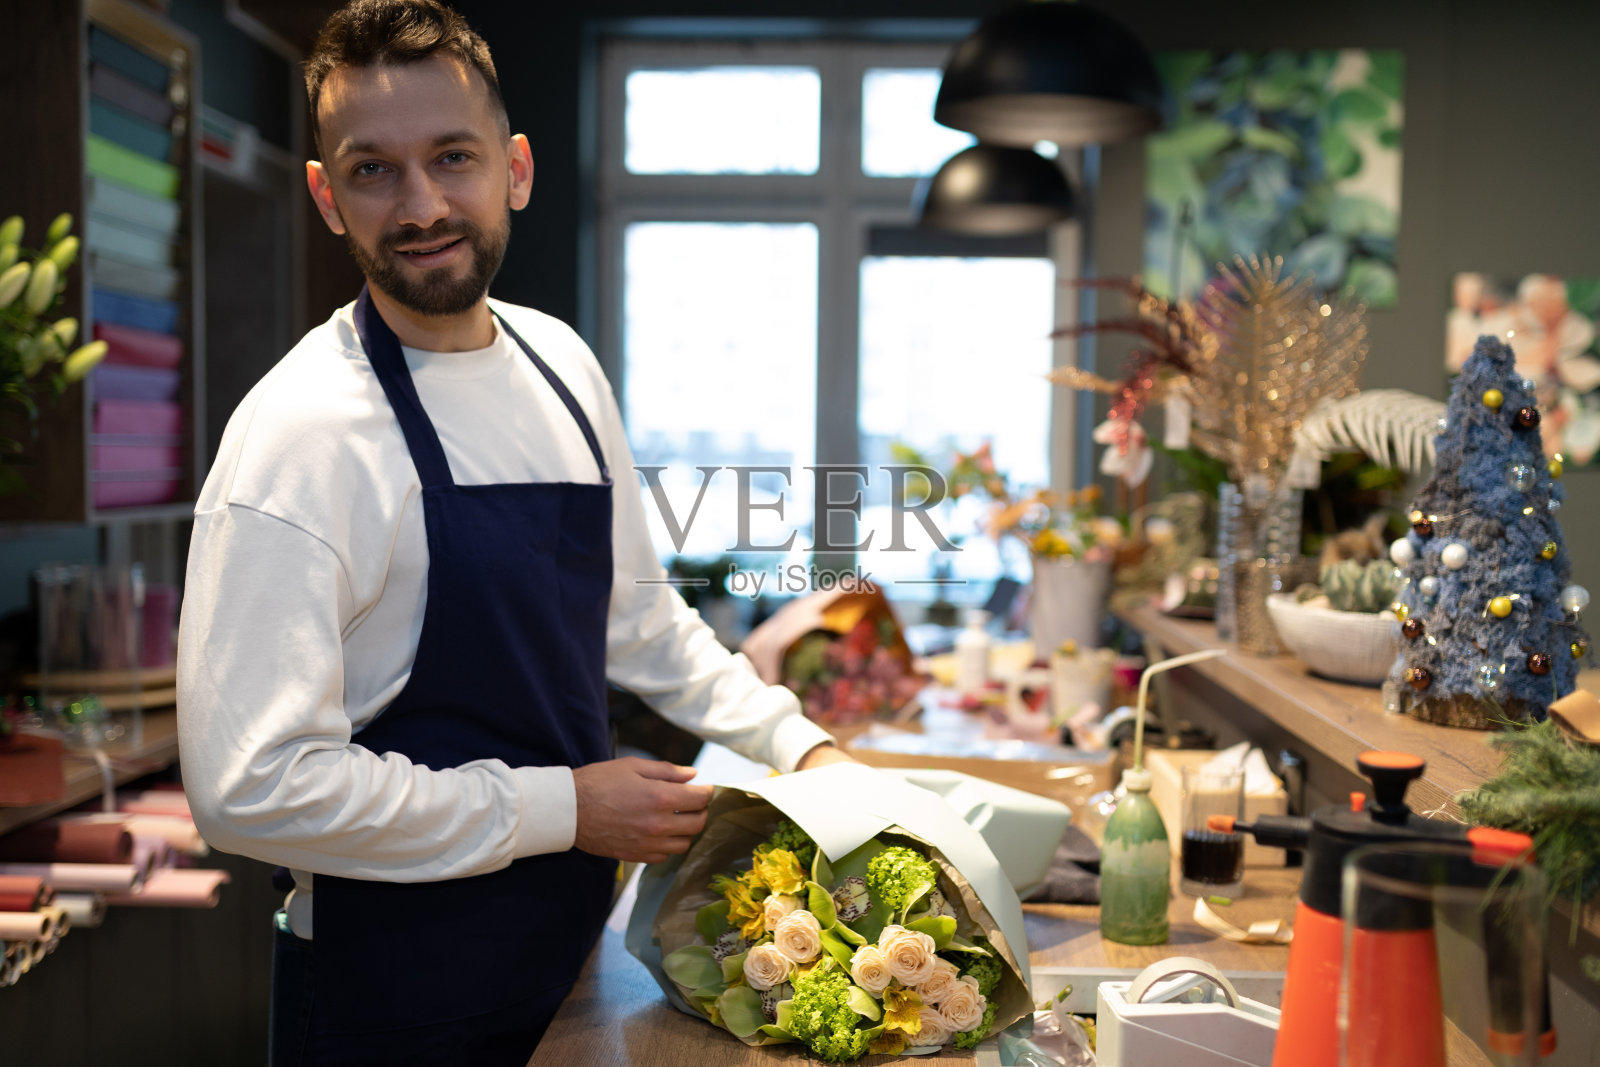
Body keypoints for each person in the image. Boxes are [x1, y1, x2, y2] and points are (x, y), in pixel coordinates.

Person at [174, 2, 848, 1063]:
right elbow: (248, 789)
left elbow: (636, 615)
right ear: (326, 196)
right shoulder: (300, 436)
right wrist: (563, 808)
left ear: (516, 169)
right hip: (390, 994)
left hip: (575, 959)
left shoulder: (560, 365)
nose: (422, 205)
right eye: (373, 170)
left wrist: (798, 743)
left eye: (453, 157)